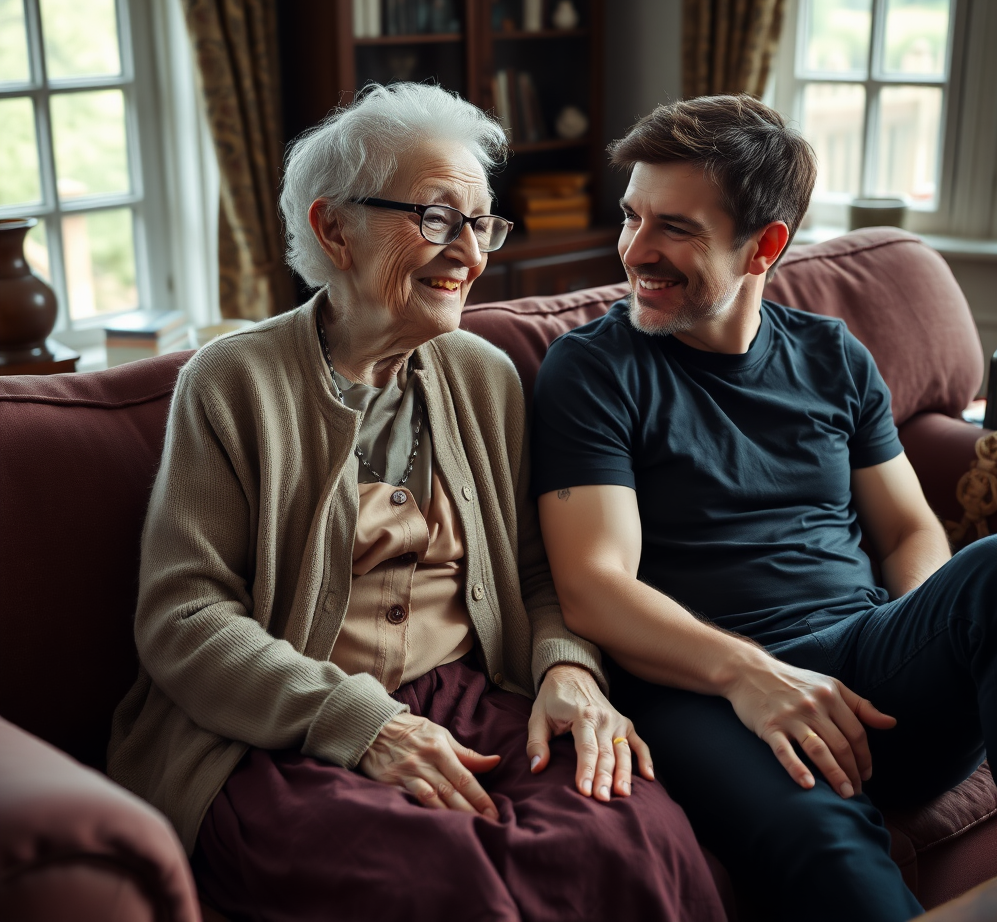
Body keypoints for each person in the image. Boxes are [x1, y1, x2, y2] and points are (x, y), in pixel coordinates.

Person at [107, 83, 727, 922]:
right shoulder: (232, 382)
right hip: (277, 727)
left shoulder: (485, 376)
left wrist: (569, 669)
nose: (468, 253)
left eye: (481, 225)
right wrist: (362, 723)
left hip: (471, 698)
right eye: (436, 219)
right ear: (334, 229)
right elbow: (183, 617)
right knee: (440, 885)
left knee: (635, 835)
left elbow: (542, 572)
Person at [531, 93, 997, 922]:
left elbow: (909, 529)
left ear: (764, 247)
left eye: (675, 228)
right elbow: (593, 585)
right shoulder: (593, 371)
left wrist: (913, 648)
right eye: (630, 217)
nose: (635, 252)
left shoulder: (833, 355)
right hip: (701, 691)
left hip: (860, 659)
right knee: (828, 853)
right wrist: (755, 676)